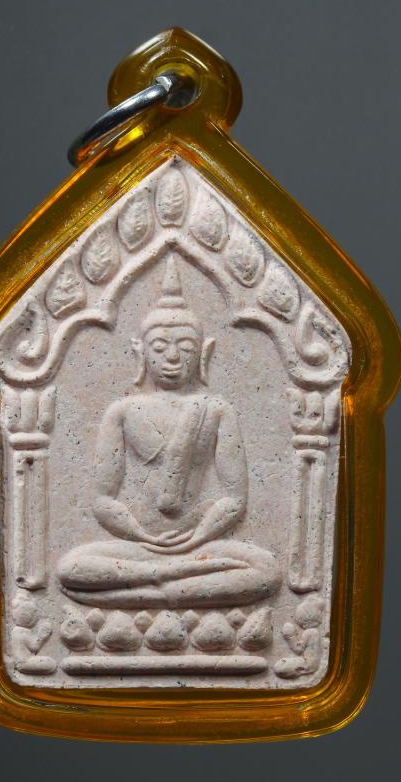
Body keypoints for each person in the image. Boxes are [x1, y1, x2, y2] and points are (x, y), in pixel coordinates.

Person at [58, 255, 280, 609]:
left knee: (266, 570)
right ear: (141, 352)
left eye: (185, 347)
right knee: (71, 566)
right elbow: (103, 499)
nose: (173, 357)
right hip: (138, 548)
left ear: (203, 353)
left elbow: (234, 498)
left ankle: (150, 590)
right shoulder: (123, 412)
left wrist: (197, 538)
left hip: (201, 547)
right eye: (160, 347)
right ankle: (165, 581)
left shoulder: (216, 409)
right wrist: (141, 536)